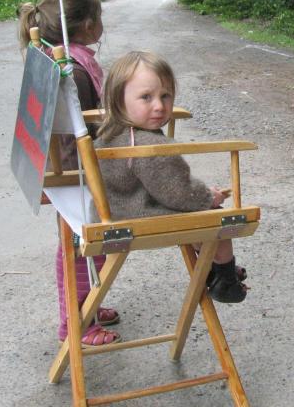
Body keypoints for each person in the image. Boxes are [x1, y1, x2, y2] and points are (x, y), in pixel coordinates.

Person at [95, 50, 248, 303]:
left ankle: (211, 266)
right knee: (216, 219)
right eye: (146, 97)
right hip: (136, 214)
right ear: (119, 101)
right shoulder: (149, 147)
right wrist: (208, 197)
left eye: (165, 96)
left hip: (114, 206)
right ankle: (224, 277)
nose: (159, 106)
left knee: (197, 217)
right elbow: (179, 193)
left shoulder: (112, 132)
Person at [18, 0, 121, 347]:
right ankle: (75, 323)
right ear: (89, 25)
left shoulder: (57, 58)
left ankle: (89, 305)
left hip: (70, 169)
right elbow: (88, 128)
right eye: (100, 16)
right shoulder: (73, 70)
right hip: (79, 176)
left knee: (86, 247)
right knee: (83, 248)